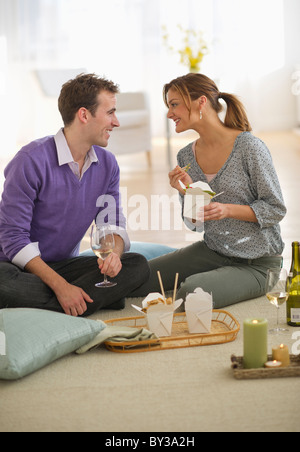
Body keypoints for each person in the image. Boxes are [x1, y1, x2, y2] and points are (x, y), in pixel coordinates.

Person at [131, 73, 287, 308]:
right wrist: (187, 192)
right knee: (136, 278)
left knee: (192, 292)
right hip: (213, 251)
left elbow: (275, 209)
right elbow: (196, 224)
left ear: (201, 102)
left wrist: (227, 210)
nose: (169, 113)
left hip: (258, 263)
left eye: (174, 105)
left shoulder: (249, 147)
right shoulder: (186, 155)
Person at [0, 73, 150, 317]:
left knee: (137, 265)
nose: (117, 122)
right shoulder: (30, 161)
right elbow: (13, 240)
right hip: (14, 266)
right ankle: (88, 300)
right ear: (84, 115)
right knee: (4, 285)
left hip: (62, 265)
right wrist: (61, 287)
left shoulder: (108, 164)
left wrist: (114, 254)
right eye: (110, 112)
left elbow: (111, 223)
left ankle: (57, 305)